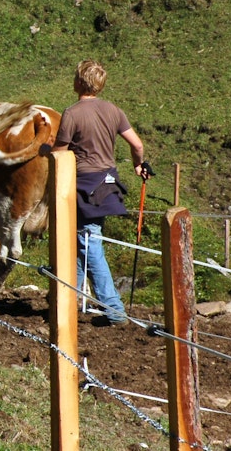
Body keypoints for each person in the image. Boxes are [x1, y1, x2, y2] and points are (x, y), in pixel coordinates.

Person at [52, 59, 151, 327]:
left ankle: (114, 308)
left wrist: (44, 152)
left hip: (84, 185)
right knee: (82, 242)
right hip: (108, 184)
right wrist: (138, 165)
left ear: (79, 82)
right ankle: (68, 302)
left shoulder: (72, 113)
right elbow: (137, 145)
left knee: (89, 243)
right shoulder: (114, 111)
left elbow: (59, 152)